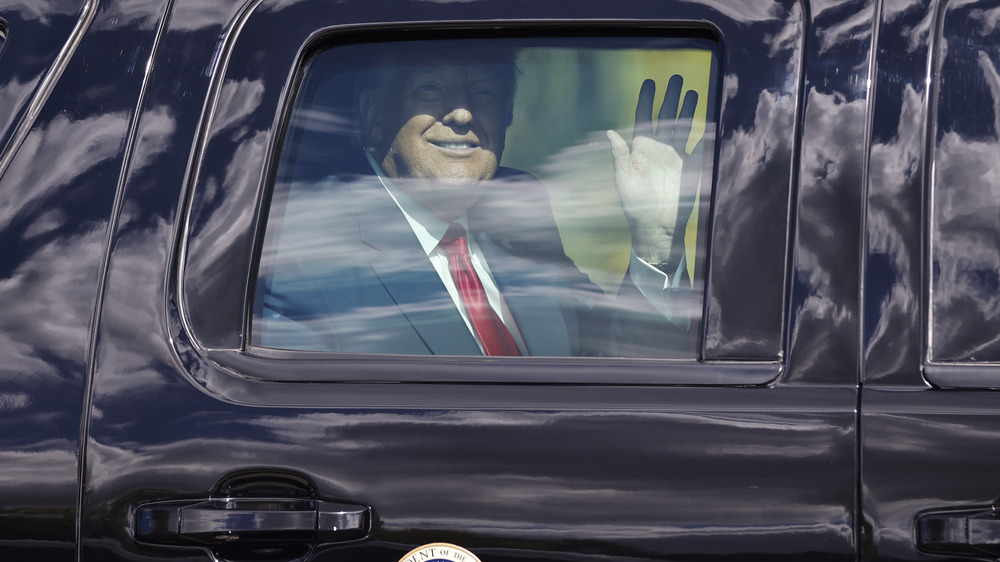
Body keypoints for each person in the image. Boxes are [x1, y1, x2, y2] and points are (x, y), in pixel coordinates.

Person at [254, 43, 701, 357]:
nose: (463, 112)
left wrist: (655, 245)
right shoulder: (303, 251)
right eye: (430, 88)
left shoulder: (519, 207)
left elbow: (617, 372)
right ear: (374, 114)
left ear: (505, 118)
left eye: (484, 92)